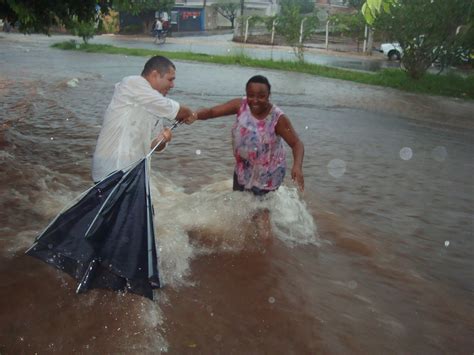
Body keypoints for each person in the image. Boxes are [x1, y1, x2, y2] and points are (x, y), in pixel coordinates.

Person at [187, 75, 304, 194]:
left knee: (261, 209)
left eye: (261, 96)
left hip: (268, 174)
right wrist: (194, 115)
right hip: (243, 169)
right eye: (251, 95)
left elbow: (296, 144)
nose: (255, 100)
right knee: (239, 205)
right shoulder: (240, 105)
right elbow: (212, 112)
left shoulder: (277, 118)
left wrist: (297, 166)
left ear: (269, 95)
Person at [92, 55, 194, 182]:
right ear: (155, 75)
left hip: (133, 176)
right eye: (170, 79)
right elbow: (176, 110)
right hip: (112, 173)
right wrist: (189, 113)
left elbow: (154, 146)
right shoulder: (132, 83)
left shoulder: (155, 106)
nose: (173, 85)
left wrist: (163, 140)